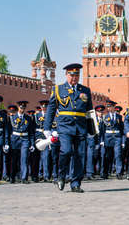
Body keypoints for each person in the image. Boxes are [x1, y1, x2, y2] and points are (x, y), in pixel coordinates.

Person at [43, 63, 94, 193]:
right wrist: (47, 128)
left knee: (80, 155)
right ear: (66, 75)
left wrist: (92, 129)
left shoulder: (85, 90)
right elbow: (51, 109)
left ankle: (75, 183)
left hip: (81, 127)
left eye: (76, 75)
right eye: (71, 75)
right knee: (65, 151)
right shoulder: (58, 89)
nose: (74, 78)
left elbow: (89, 111)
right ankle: (61, 175)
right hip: (65, 126)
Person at [10, 101, 35, 184]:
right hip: (15, 139)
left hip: (25, 139)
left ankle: (24, 177)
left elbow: (31, 132)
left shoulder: (28, 118)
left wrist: (32, 144)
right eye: (21, 107)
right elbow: (9, 131)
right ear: (18, 107)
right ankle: (12, 177)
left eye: (24, 108)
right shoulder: (12, 117)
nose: (22, 109)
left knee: (24, 158)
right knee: (14, 159)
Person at [100, 100, 125, 180]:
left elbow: (122, 129)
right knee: (107, 156)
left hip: (117, 137)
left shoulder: (119, 117)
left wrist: (123, 141)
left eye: (110, 106)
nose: (108, 108)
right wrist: (102, 140)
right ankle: (105, 172)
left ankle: (119, 173)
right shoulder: (105, 117)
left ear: (114, 107)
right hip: (108, 137)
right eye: (107, 106)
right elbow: (102, 130)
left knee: (118, 155)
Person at [86, 105, 104, 180]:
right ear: (96, 112)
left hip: (99, 141)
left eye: (101, 112)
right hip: (91, 139)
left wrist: (102, 141)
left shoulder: (102, 120)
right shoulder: (93, 119)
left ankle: (96, 172)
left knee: (97, 157)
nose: (100, 113)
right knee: (90, 156)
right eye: (99, 112)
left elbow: (102, 132)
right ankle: (89, 173)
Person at [35, 100, 50, 182]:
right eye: (43, 106)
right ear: (40, 107)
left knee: (46, 156)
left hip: (46, 137)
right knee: (37, 157)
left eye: (46, 106)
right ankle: (38, 174)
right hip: (38, 136)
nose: (44, 107)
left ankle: (46, 175)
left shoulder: (50, 116)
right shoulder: (36, 116)